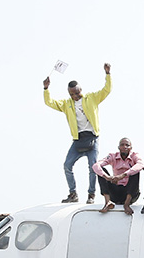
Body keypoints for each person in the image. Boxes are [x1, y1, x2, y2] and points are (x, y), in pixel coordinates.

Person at [43, 63, 111, 204]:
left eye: (77, 92)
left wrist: (107, 74)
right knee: (67, 165)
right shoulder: (67, 104)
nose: (75, 96)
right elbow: (49, 102)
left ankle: (91, 194)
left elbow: (106, 90)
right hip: (78, 139)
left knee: (93, 167)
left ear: (81, 90)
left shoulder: (91, 98)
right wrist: (46, 89)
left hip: (92, 137)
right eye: (72, 94)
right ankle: (73, 193)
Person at [92, 137, 144, 214]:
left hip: (130, 192)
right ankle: (107, 202)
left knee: (135, 172)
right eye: (122, 145)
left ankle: (126, 204)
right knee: (101, 171)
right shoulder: (112, 156)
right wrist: (107, 177)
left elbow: (141, 164)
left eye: (127, 145)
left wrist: (123, 175)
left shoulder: (134, 156)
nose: (124, 147)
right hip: (115, 191)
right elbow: (96, 165)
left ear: (131, 148)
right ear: (118, 147)